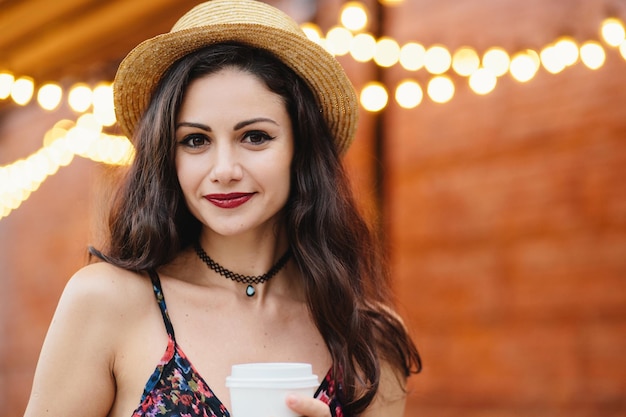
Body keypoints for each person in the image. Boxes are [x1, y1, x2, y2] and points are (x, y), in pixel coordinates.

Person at [24, 1, 421, 416]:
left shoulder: (370, 341)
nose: (224, 170)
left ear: (300, 148)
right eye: (195, 140)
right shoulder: (107, 301)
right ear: (168, 156)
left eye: (254, 136)